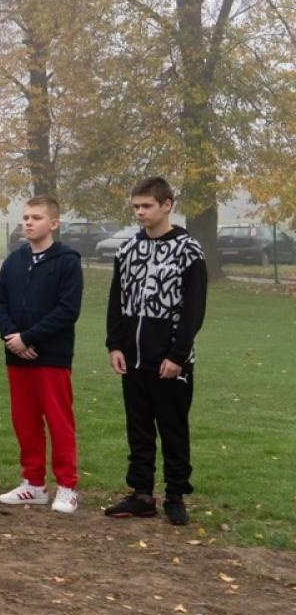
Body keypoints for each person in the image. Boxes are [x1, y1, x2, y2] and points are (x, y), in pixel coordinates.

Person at [103, 176, 207, 527]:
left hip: (169, 359)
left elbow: (194, 309)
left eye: (147, 206)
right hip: (133, 357)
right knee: (139, 428)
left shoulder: (188, 250)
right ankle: (141, 494)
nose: (140, 213)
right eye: (135, 207)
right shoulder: (127, 249)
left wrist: (177, 356)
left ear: (167, 205)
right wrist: (114, 344)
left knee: (173, 428)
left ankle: (175, 494)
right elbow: (116, 301)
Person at [0, 196, 84, 513]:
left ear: (54, 223)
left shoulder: (67, 261)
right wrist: (12, 338)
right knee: (25, 421)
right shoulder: (14, 260)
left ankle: (67, 487)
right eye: (25, 217)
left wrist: (30, 338)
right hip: (17, 356)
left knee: (59, 422)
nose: (28, 223)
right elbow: (0, 302)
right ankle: (33, 484)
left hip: (52, 357)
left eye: (36, 218)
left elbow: (67, 310)